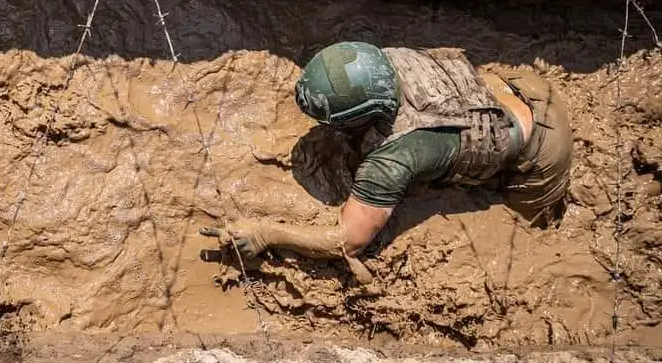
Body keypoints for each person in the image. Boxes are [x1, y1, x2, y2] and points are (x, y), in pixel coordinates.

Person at [201, 42, 572, 283]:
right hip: (517, 86)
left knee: (532, 228)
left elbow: (346, 242)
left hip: (542, 143)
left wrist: (268, 234)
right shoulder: (385, 59)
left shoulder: (394, 157)